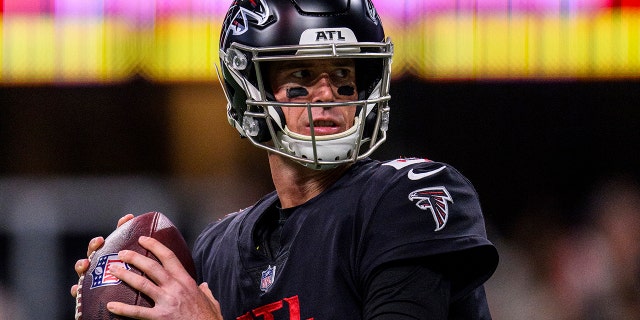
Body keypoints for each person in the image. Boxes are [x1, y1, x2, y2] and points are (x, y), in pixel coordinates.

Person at [71, 0, 499, 319]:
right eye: (301, 77)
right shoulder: (219, 250)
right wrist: (118, 298)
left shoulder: (404, 198)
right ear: (249, 93)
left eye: (345, 79)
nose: (328, 94)